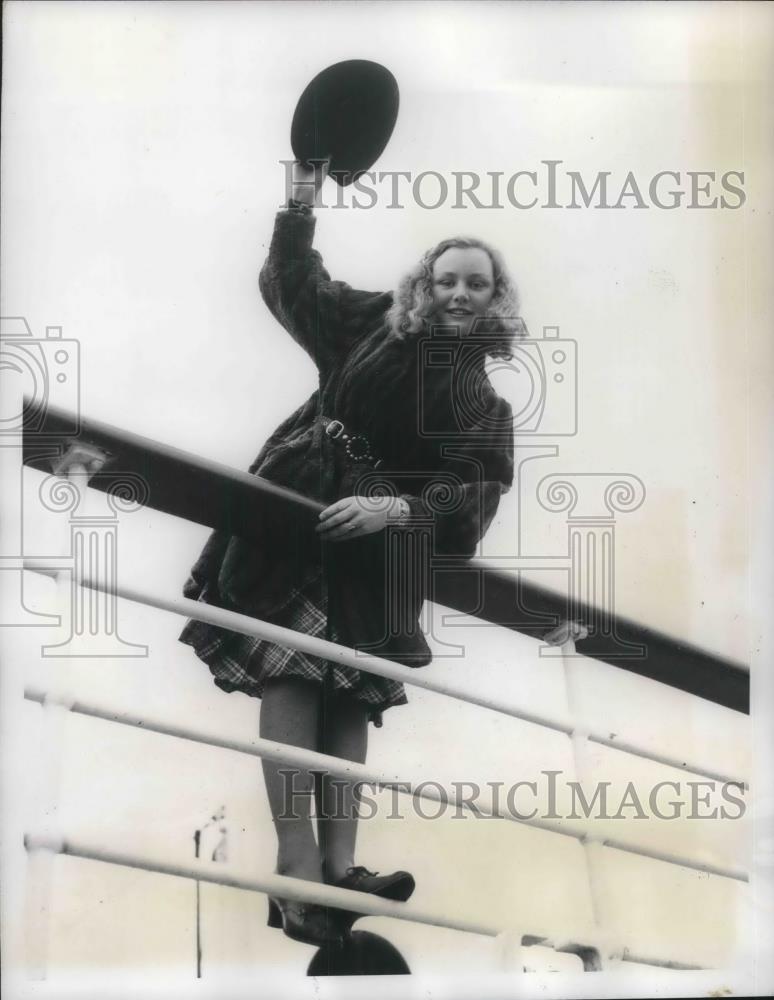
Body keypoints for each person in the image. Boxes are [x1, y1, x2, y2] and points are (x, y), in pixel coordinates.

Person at [178, 160, 518, 948]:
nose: (459, 294)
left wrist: (396, 505)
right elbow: (294, 285)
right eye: (445, 281)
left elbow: (476, 492)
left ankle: (340, 871)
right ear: (423, 288)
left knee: (350, 694)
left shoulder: (486, 404)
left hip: (377, 552)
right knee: (295, 667)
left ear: (495, 299)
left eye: (476, 284)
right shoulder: (372, 325)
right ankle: (296, 870)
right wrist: (301, 200)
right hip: (304, 512)